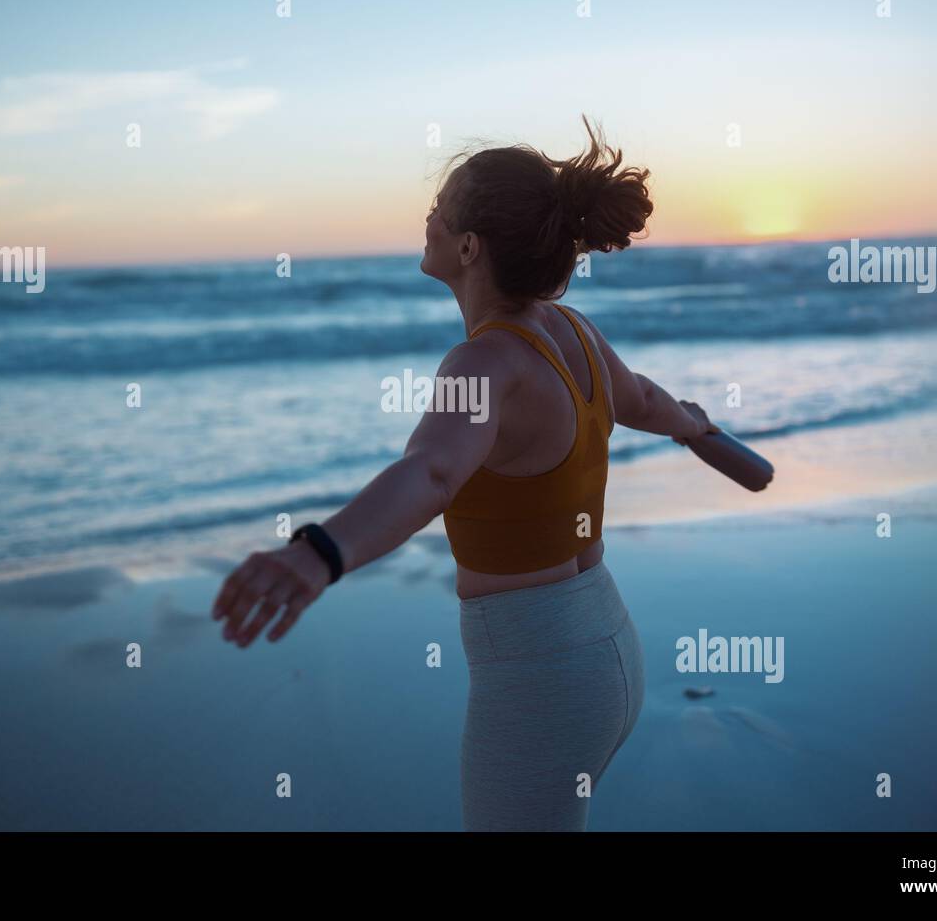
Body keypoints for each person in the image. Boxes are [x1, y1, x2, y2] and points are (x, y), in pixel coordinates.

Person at [212, 116, 716, 830]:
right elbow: (643, 400)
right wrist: (696, 425)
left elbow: (432, 473)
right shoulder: (573, 331)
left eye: (439, 210)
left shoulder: (482, 362)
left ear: (469, 246)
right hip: (609, 647)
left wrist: (319, 553)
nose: (427, 218)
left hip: (540, 675)